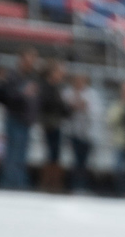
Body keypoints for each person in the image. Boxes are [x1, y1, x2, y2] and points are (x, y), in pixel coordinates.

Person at [0, 51, 40, 191]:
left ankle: (19, 183)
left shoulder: (32, 77)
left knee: (22, 154)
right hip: (14, 118)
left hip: (26, 120)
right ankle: (8, 183)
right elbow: (7, 96)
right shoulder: (13, 76)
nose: (30, 64)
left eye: (32, 61)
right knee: (12, 153)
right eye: (28, 60)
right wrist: (23, 92)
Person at [37, 61, 69, 192]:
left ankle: (53, 183)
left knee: (54, 154)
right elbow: (51, 105)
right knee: (52, 153)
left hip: (55, 123)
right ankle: (49, 183)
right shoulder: (47, 87)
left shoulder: (56, 87)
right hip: (50, 123)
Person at [66, 73, 97, 193]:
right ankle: (74, 185)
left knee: (84, 161)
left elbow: (96, 112)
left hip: (87, 133)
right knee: (75, 160)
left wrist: (86, 107)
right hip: (73, 131)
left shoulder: (91, 94)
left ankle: (82, 185)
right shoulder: (69, 92)